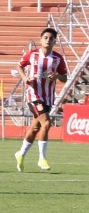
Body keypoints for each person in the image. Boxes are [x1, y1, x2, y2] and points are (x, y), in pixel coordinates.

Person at [13, 27, 68, 171]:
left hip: (48, 97)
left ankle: (21, 153)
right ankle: (42, 158)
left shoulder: (57, 59)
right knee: (47, 123)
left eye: (51, 38)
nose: (48, 40)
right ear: (41, 40)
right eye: (45, 37)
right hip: (33, 95)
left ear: (55, 41)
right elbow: (19, 66)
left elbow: (65, 78)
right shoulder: (32, 55)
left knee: (35, 127)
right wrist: (25, 78)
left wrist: (56, 76)